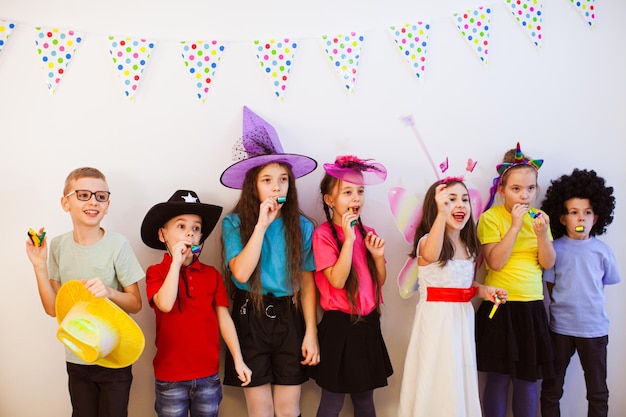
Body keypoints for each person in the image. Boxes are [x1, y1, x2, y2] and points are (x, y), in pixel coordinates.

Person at [220, 106, 319, 417]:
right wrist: (261, 225)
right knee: (259, 409)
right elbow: (241, 272)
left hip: (290, 318)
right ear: (254, 185)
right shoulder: (234, 224)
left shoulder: (302, 226)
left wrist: (310, 332)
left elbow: (306, 280)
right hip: (250, 315)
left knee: (289, 409)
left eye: (283, 180)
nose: (277, 187)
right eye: (267, 180)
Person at [25, 167, 144, 417]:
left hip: (114, 358)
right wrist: (39, 266)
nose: (93, 201)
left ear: (107, 204)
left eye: (100, 196)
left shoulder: (118, 244)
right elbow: (53, 309)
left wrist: (110, 293)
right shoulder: (57, 245)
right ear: (65, 202)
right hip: (78, 356)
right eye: (83, 195)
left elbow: (135, 304)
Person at [399, 178, 508, 417]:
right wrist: (441, 214)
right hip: (436, 322)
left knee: (457, 375)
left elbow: (464, 284)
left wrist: (484, 291)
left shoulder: (468, 246)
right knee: (436, 373)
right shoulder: (428, 241)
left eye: (464, 199)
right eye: (450, 200)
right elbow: (431, 254)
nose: (459, 205)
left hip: (461, 320)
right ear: (436, 206)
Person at [140, 189, 252, 417]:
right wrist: (176, 264)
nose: (190, 233)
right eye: (181, 226)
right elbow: (165, 304)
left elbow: (224, 320)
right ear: (163, 235)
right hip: (170, 378)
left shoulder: (211, 275)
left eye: (196, 228)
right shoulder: (156, 272)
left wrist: (238, 360)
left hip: (208, 377)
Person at [475, 142, 556, 417]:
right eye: (516, 189)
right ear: (502, 190)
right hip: (500, 306)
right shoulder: (491, 218)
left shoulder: (541, 220)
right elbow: (494, 261)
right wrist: (515, 226)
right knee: (497, 378)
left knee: (527, 379)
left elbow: (548, 263)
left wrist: (542, 234)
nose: (524, 195)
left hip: (531, 307)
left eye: (530, 188)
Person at [310, 155, 393, 417]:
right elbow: (336, 280)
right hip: (338, 326)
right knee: (332, 402)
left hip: (367, 324)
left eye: (360, 191)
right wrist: (347, 241)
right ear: (329, 200)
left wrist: (378, 258)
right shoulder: (323, 234)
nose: (356, 198)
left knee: (365, 401)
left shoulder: (368, 232)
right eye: (347, 192)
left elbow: (379, 283)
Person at [539, 169, 621, 417]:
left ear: (596, 217)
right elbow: (550, 286)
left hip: (594, 330)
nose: (580, 218)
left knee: (597, 392)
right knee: (551, 390)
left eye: (586, 213)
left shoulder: (603, 252)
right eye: (574, 213)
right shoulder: (554, 249)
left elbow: (602, 285)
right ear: (563, 218)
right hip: (560, 329)